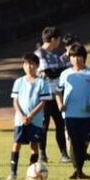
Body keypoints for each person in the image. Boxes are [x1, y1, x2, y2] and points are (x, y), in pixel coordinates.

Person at [57, 43, 90, 180]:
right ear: (69, 58)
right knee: (74, 141)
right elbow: (58, 92)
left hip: (86, 114)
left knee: (84, 141)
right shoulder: (65, 74)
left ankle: (78, 171)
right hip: (70, 114)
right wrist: (60, 104)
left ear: (84, 57)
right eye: (73, 56)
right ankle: (78, 171)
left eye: (79, 56)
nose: (76, 59)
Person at [10, 54, 51, 180]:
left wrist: (31, 115)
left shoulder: (41, 83)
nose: (29, 67)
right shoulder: (18, 82)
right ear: (23, 66)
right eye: (27, 64)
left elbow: (42, 102)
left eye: (32, 64)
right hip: (20, 120)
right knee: (16, 144)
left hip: (36, 120)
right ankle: (13, 172)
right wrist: (22, 116)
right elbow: (15, 101)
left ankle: (32, 171)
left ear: (37, 66)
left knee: (34, 145)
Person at [36, 26, 70, 163]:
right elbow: (49, 73)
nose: (59, 43)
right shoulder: (39, 54)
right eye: (58, 40)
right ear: (53, 39)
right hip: (43, 96)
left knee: (60, 125)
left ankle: (63, 154)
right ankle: (42, 154)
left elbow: (62, 68)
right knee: (44, 126)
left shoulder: (55, 56)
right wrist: (61, 70)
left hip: (56, 96)